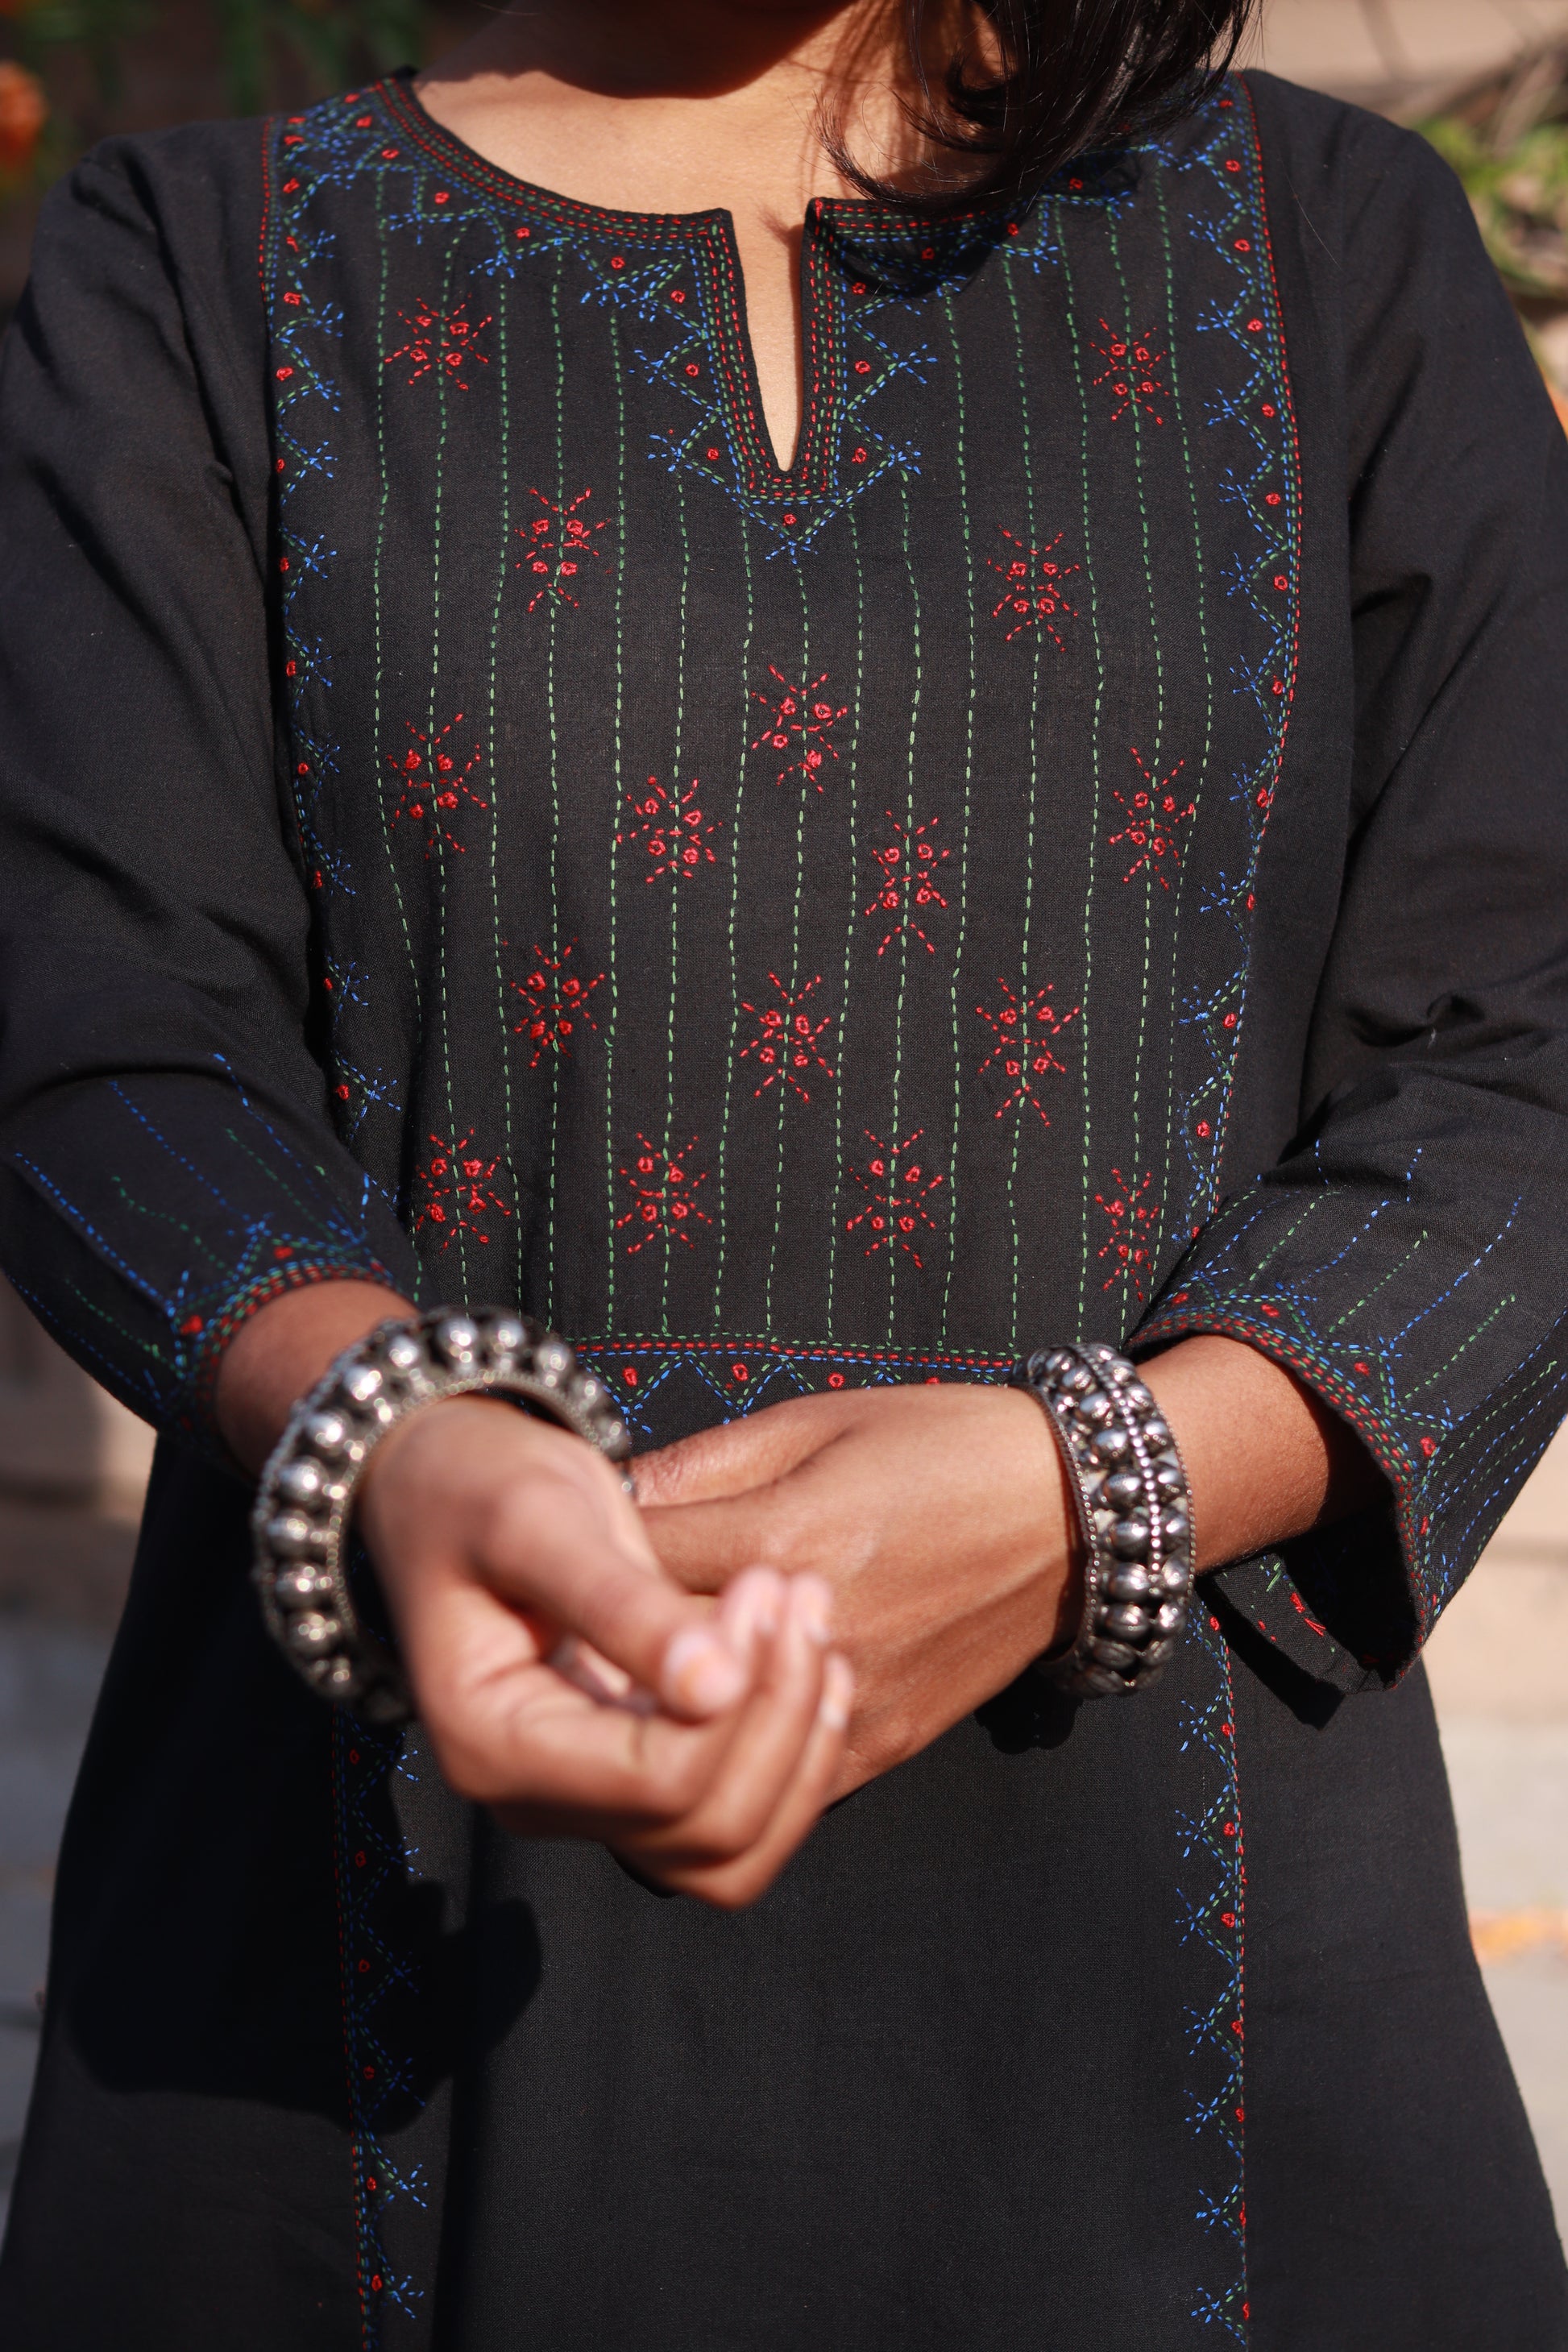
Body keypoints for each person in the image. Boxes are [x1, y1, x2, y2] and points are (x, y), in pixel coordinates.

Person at [0, 0, 1566, 2342]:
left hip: (1194, 1935)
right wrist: (409, 1438)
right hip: (368, 1925)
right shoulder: (200, 261)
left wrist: (1098, 1485)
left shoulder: (1326, 249)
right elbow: (105, 1024)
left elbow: (1526, 1039)